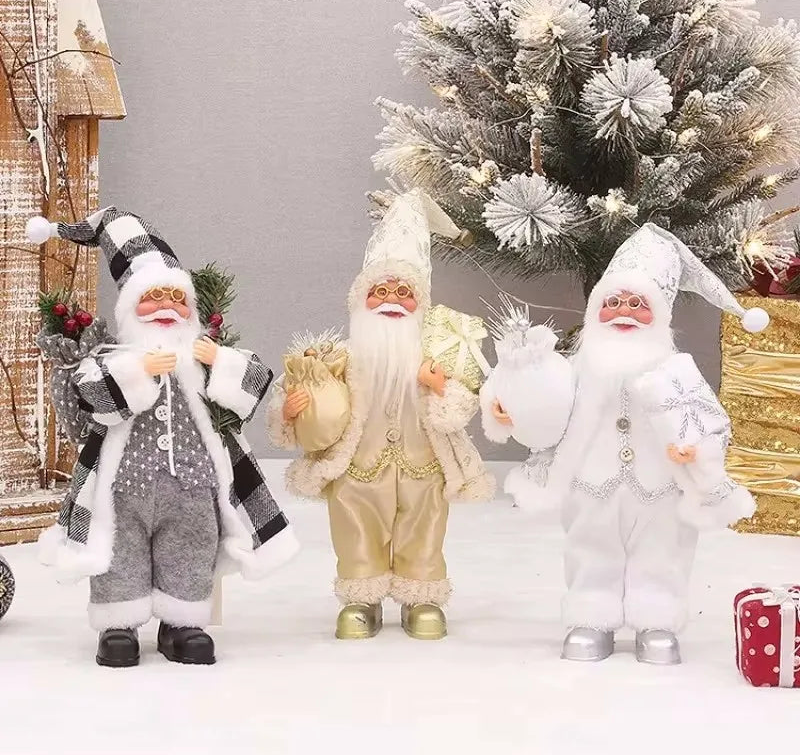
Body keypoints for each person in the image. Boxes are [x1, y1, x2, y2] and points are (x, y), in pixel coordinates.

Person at [480, 223, 765, 664]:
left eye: (637, 304)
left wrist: (694, 449)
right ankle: (591, 615)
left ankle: (657, 618)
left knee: (662, 549)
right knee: (590, 544)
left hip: (661, 485)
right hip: (591, 482)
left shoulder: (677, 371)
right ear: (596, 311)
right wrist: (508, 406)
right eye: (612, 303)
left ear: (660, 316)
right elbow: (543, 401)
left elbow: (709, 420)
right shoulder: (576, 367)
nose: (623, 312)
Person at [27, 208, 298, 667]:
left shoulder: (200, 358)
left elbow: (253, 383)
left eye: (177, 297)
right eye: (153, 297)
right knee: (119, 550)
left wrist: (221, 361)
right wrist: (138, 370)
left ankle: (182, 624)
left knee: (190, 549)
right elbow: (91, 395)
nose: (167, 305)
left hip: (192, 487)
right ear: (130, 308)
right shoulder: (113, 357)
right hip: (124, 490)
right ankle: (119, 625)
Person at [268, 190, 494, 640]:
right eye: (381, 292)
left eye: (404, 293)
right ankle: (361, 598)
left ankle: (421, 597)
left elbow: (458, 409)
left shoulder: (434, 356)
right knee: (355, 528)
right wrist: (290, 412)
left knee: (424, 525)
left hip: (423, 466)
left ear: (420, 304)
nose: (392, 300)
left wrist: (439, 387)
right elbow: (307, 395)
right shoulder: (341, 357)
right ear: (361, 301)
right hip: (357, 468)